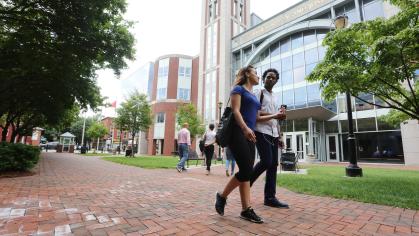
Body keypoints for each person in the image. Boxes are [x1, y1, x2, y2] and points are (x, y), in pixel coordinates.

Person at [215, 65, 273, 224]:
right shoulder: (238, 89)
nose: (258, 76)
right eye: (255, 73)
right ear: (247, 74)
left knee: (246, 172)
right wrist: (245, 128)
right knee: (247, 169)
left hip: (250, 133)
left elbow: (257, 118)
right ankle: (222, 196)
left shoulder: (254, 97)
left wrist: (275, 115)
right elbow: (236, 111)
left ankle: (246, 209)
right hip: (237, 132)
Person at [250, 68, 289, 209]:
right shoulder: (258, 93)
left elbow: (276, 119)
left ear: (277, 81)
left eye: (273, 78)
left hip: (273, 133)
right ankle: (247, 182)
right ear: (264, 78)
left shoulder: (276, 97)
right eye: (268, 77)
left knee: (273, 165)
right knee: (266, 161)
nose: (270, 79)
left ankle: (270, 197)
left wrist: (280, 136)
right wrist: (275, 115)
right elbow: (256, 115)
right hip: (261, 131)